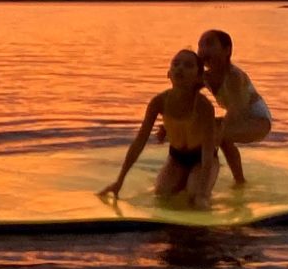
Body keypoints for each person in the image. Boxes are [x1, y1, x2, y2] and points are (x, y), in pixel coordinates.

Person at [102, 48, 224, 209]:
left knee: (194, 197)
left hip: (201, 159)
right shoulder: (159, 102)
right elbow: (139, 142)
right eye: (176, 64)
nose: (180, 68)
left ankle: (196, 188)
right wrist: (119, 181)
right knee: (162, 194)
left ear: (198, 77)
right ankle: (183, 178)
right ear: (168, 73)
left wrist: (202, 193)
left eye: (188, 65)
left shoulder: (203, 106)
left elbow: (208, 152)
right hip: (177, 158)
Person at [196, 26, 273, 186]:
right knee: (206, 129)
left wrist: (216, 136)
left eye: (209, 44)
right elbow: (185, 97)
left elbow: (236, 110)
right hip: (238, 118)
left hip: (259, 121)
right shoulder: (206, 77)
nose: (203, 49)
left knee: (218, 135)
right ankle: (238, 181)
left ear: (227, 50)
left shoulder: (234, 76)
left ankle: (209, 182)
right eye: (200, 45)